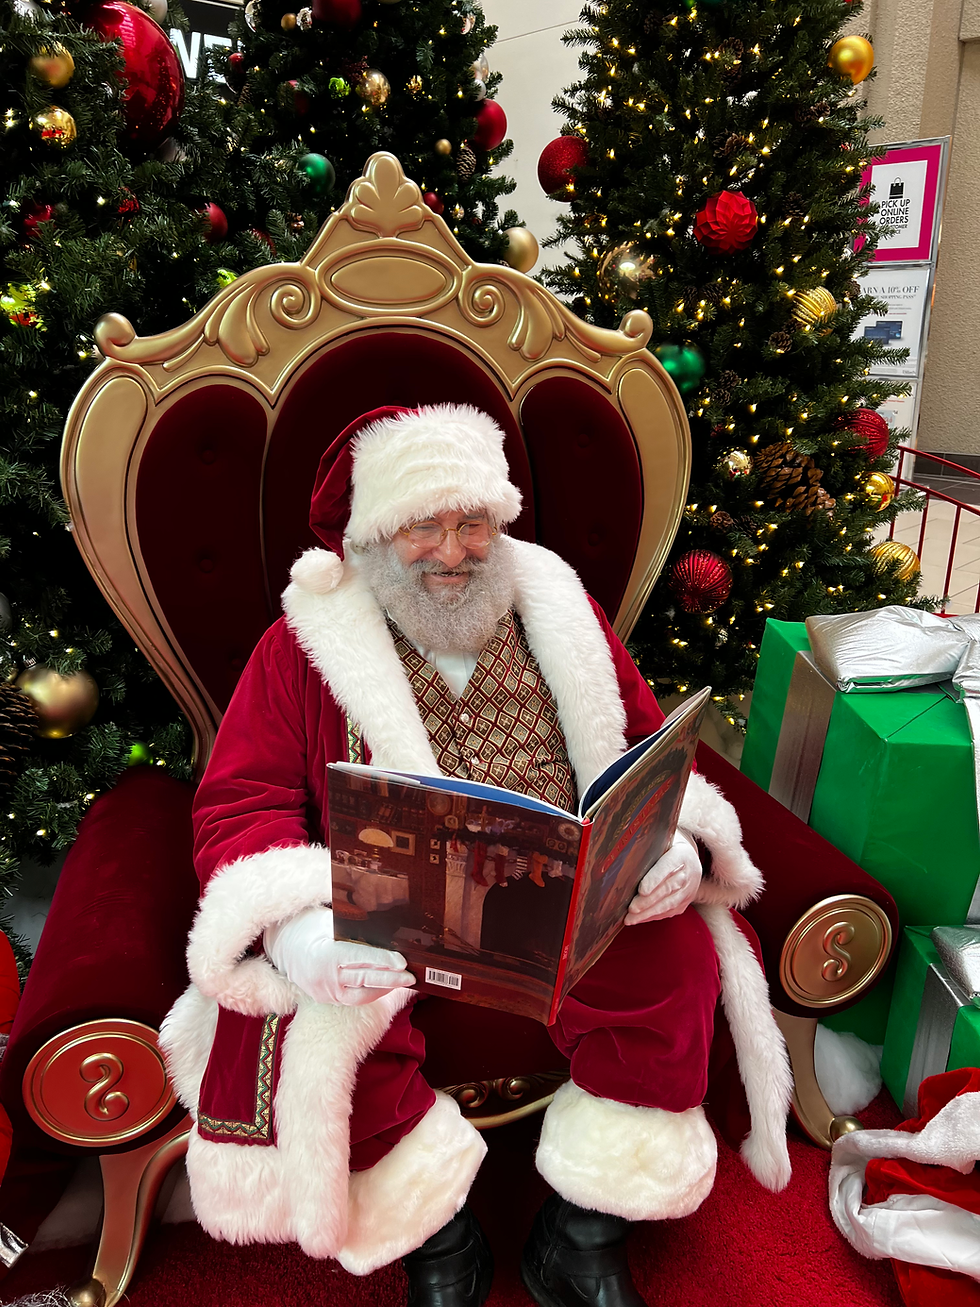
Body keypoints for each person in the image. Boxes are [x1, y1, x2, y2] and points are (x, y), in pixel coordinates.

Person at [161, 404, 792, 1307]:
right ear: (374, 533)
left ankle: (580, 1236)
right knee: (332, 1013)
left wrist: (671, 843)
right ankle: (439, 1241)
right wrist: (302, 926)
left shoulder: (557, 606)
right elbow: (240, 801)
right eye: (424, 524)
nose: (453, 551)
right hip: (393, 914)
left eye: (473, 523)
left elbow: (650, 748)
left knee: (679, 958)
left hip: (565, 897)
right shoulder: (301, 645)